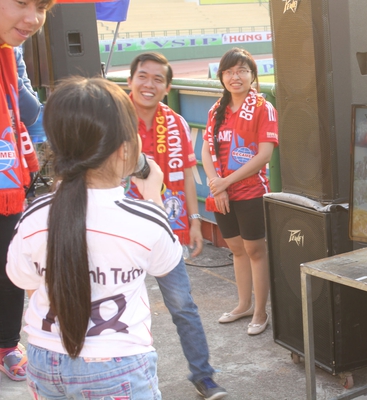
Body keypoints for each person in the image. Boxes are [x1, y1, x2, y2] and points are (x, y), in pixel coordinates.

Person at [7, 77, 180, 398]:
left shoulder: (33, 214)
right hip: (118, 363)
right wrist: (153, 193)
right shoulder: (144, 218)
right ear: (125, 150)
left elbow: (20, 276)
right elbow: (167, 262)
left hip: (46, 359)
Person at [127, 52, 227, 399]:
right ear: (130, 81)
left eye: (157, 79)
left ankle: (204, 375)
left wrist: (196, 222)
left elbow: (186, 173)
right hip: (122, 232)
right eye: (143, 76)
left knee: (183, 305)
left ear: (167, 87)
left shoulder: (176, 123)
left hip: (167, 228)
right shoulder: (114, 119)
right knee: (122, 307)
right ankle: (130, 380)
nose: (149, 84)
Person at [201, 47, 278, 336]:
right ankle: (243, 304)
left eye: (242, 71)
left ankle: (260, 311)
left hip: (251, 192)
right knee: (235, 249)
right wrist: (216, 184)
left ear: (252, 76)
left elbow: (264, 155)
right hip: (221, 192)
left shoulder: (263, 108)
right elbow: (205, 152)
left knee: (255, 250)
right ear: (221, 76)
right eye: (230, 71)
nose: (236, 77)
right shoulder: (215, 110)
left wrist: (225, 182)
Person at [0, 0, 53, 383]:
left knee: (9, 264)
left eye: (42, 6)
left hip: (7, 176)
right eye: (21, 2)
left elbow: (30, 111)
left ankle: (6, 343)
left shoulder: (10, 53)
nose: (33, 18)